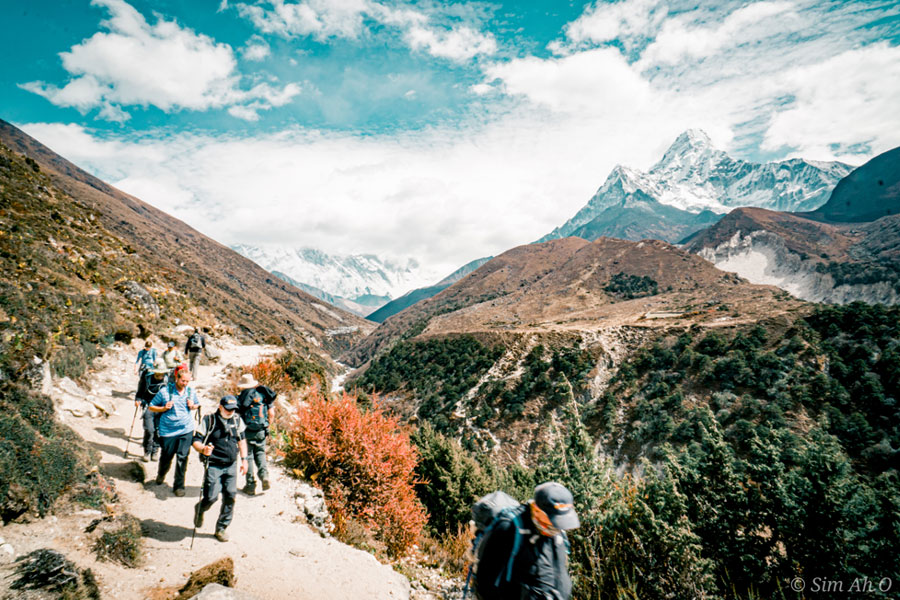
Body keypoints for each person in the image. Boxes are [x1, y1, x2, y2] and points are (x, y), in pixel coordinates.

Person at [474, 482, 580, 600]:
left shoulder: (556, 532)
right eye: (551, 521)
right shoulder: (508, 528)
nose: (556, 528)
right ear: (536, 508)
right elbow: (485, 581)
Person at [192, 395, 249, 543]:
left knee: (230, 496)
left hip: (231, 465)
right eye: (228, 409)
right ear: (220, 407)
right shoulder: (209, 420)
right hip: (214, 465)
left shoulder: (237, 420)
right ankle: (201, 508)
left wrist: (244, 460)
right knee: (211, 496)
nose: (231, 412)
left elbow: (242, 441)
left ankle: (221, 528)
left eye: (233, 409)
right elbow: (196, 441)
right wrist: (203, 449)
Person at [148, 364, 199, 497]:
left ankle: (179, 486)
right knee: (166, 457)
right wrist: (164, 408)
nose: (185, 384)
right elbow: (151, 406)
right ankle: (161, 474)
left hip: (186, 429)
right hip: (168, 431)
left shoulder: (190, 391)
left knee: (182, 458)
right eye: (183, 381)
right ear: (176, 378)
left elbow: (197, 404)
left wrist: (193, 406)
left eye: (188, 381)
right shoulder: (165, 391)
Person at [235, 373, 276, 495]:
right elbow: (272, 413)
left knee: (248, 456)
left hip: (246, 431)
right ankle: (264, 477)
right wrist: (268, 425)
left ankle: (250, 485)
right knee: (260, 453)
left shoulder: (241, 397)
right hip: (261, 430)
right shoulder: (264, 395)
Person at [134, 360, 168, 462]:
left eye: (162, 374)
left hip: (162, 408)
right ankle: (147, 451)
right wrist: (138, 399)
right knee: (149, 430)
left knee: (159, 430)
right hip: (148, 406)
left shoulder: (167, 379)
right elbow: (140, 390)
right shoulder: (147, 377)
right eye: (158, 374)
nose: (160, 376)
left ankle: (155, 451)